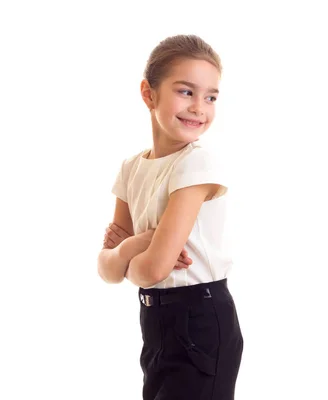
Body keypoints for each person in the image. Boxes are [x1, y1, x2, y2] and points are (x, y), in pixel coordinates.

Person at [97, 34, 243, 400]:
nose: (199, 107)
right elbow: (107, 271)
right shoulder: (132, 169)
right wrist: (141, 243)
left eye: (211, 97)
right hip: (154, 320)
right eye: (185, 91)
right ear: (149, 94)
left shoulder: (196, 162)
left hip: (201, 319)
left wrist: (127, 254)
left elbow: (151, 270)